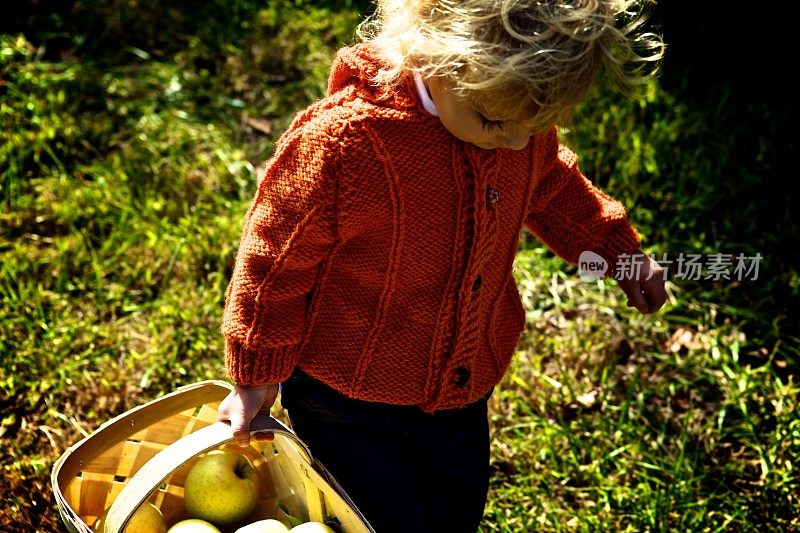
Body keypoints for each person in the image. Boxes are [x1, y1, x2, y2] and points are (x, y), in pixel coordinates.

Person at [217, 0, 666, 531]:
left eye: (538, 126)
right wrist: (256, 374)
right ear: (435, 56)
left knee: (456, 506)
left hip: (462, 386)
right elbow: (275, 258)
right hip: (347, 400)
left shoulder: (513, 123)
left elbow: (556, 188)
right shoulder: (344, 146)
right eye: (496, 122)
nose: (519, 142)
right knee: (374, 518)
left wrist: (617, 251)